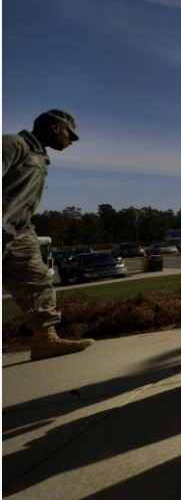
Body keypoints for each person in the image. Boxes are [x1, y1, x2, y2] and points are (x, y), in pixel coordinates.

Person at [3, 110, 95, 361]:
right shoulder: (14, 144)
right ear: (55, 128)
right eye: (70, 134)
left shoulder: (40, 157)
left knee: (38, 281)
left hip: (18, 233)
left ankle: (45, 341)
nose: (72, 141)